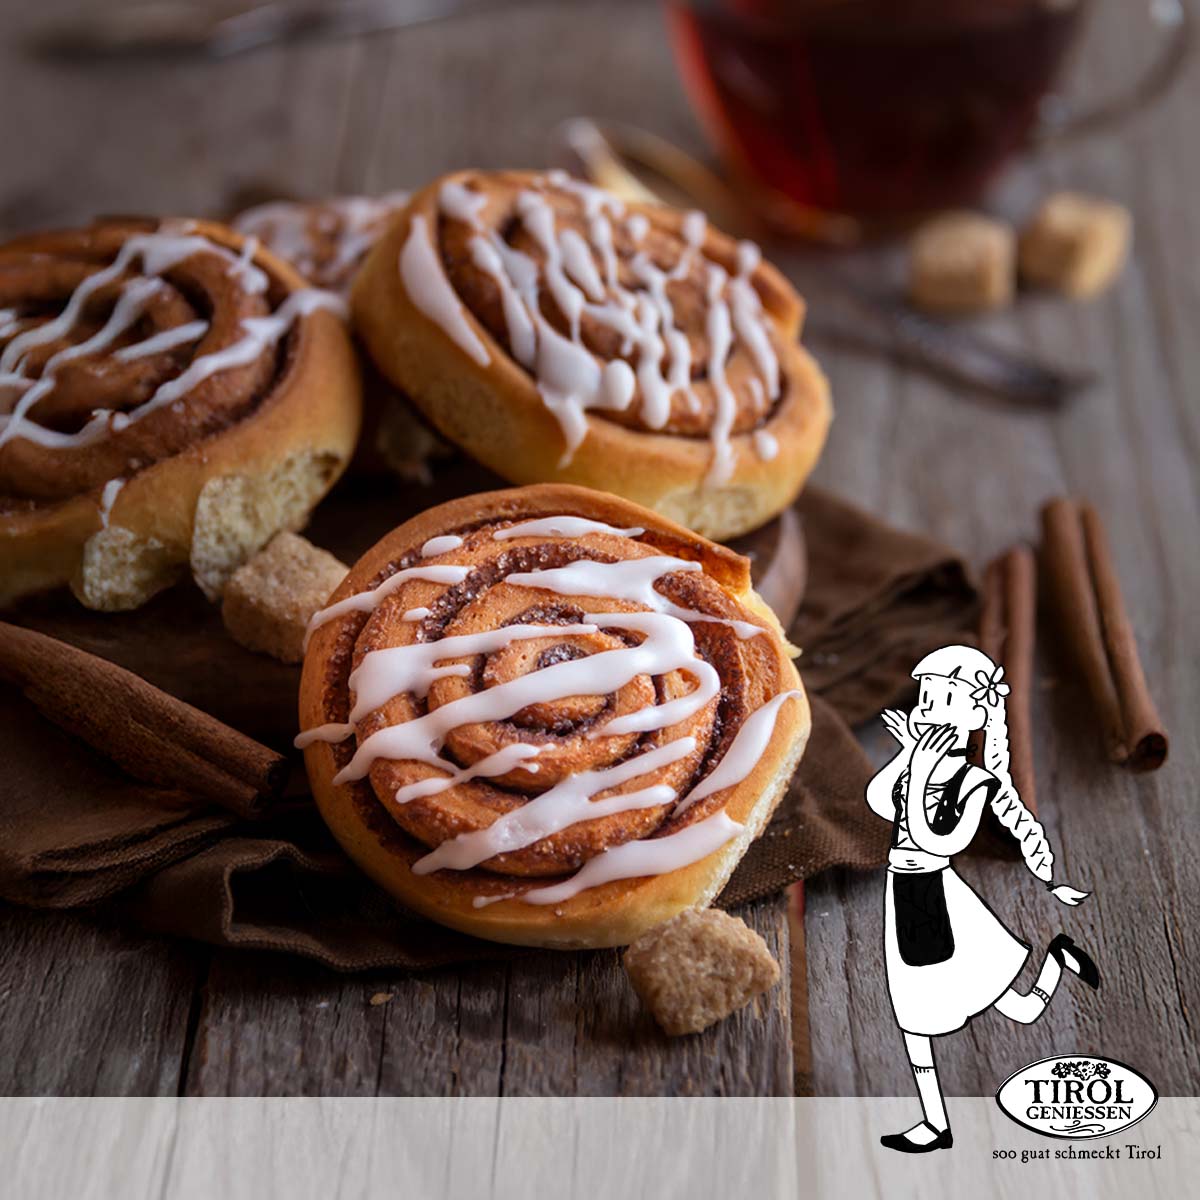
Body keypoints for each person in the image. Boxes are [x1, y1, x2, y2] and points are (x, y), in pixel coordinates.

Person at [866, 645, 1099, 1153]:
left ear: (974, 714)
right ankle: (936, 1123)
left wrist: (924, 768)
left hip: (936, 897)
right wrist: (910, 758)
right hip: (901, 890)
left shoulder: (976, 780)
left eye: (945, 697)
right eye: (926, 695)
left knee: (1016, 1012)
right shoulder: (915, 763)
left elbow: (939, 841)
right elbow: (878, 801)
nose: (928, 707)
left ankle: (1057, 959)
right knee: (912, 1019)